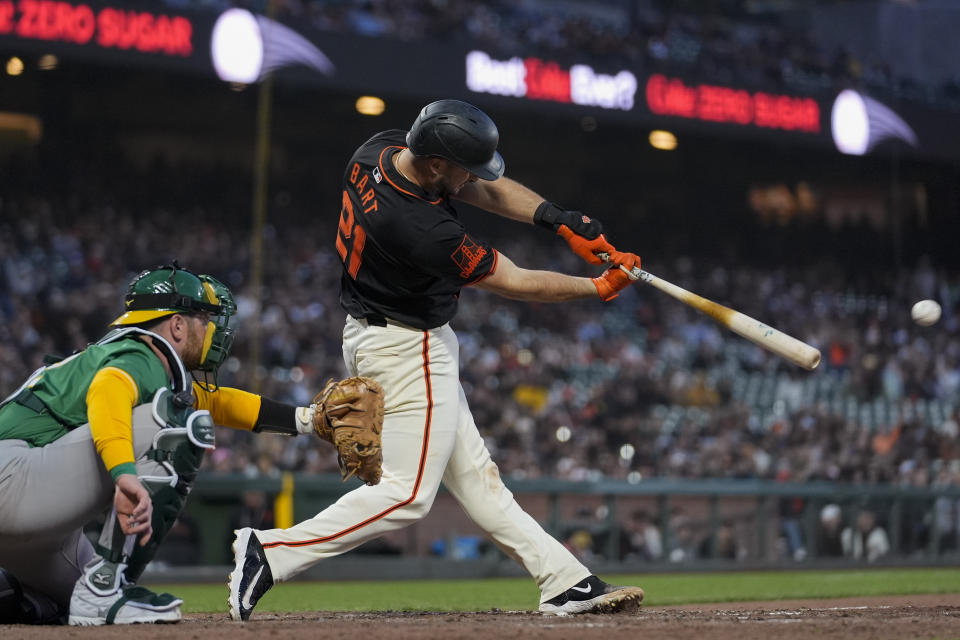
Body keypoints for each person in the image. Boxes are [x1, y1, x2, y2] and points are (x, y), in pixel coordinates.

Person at [228, 99, 644, 619]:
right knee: (407, 495)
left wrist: (556, 219)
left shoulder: (377, 150)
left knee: (476, 477)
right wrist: (598, 287)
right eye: (462, 167)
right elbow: (513, 281)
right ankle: (271, 552)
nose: (471, 177)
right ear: (435, 164)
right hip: (407, 347)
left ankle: (564, 579)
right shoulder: (420, 230)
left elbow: (480, 187)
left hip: (381, 330)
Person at [0, 264, 325, 625]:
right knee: (183, 423)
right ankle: (105, 590)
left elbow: (220, 402)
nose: (214, 329)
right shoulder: (142, 352)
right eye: (205, 318)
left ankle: (19, 590)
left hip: (28, 514)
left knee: (68, 603)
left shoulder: (132, 355)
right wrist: (124, 474)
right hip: (13, 476)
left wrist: (310, 420)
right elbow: (108, 390)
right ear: (177, 325)